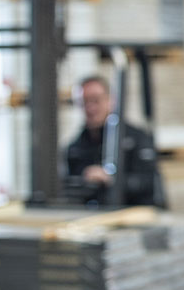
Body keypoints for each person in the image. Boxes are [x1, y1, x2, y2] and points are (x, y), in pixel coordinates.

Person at [65, 74, 165, 208]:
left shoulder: (136, 139)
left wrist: (110, 179)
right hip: (97, 218)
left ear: (110, 100)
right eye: (84, 102)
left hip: (136, 216)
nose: (90, 108)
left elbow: (148, 183)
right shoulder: (76, 148)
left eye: (96, 100)